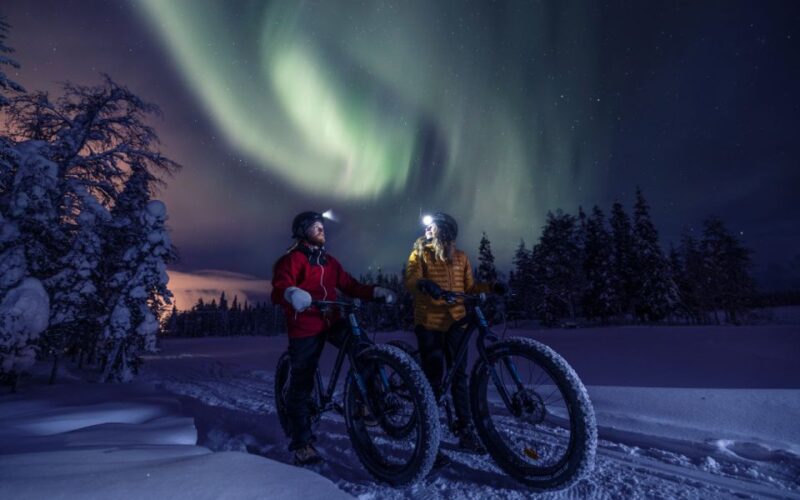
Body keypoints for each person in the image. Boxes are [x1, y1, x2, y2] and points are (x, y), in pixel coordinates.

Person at [272, 211, 395, 465]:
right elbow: (279, 289)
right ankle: (301, 443)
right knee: (302, 381)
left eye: (322, 227)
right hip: (305, 325)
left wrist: (375, 292)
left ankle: (364, 403)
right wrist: (292, 293)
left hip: (333, 319)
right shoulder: (292, 259)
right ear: (303, 231)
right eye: (316, 227)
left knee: (364, 350)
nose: (321, 230)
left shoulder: (330, 262)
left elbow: (350, 285)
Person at [404, 212, 505, 459]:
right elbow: (411, 279)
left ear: (445, 230)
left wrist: (491, 287)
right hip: (429, 322)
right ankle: (428, 436)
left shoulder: (460, 257)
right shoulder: (420, 253)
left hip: (457, 322)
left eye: (433, 227)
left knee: (459, 376)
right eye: (427, 227)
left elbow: (469, 288)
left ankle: (466, 430)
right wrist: (424, 285)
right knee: (434, 378)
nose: (427, 230)